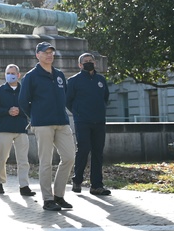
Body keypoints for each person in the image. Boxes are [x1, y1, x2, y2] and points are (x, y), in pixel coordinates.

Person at [18, 41, 75, 212]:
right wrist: (36, 116)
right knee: (46, 162)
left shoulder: (59, 75)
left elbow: (64, 96)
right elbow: (23, 101)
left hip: (62, 122)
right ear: (38, 55)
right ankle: (48, 199)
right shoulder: (31, 76)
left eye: (51, 52)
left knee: (69, 157)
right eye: (45, 52)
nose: (49, 55)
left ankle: (59, 195)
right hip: (42, 124)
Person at [67, 52, 112, 196]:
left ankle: (96, 185)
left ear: (95, 63)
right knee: (84, 149)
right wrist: (78, 112)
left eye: (91, 60)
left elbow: (105, 97)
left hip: (99, 121)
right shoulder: (74, 81)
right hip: (82, 121)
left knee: (98, 153)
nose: (88, 62)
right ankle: (77, 179)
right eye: (85, 61)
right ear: (80, 65)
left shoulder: (101, 79)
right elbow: (68, 100)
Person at [0, 64, 35, 196]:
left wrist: (20, 111)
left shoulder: (25, 91)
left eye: (13, 73)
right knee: (2, 157)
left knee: (23, 160)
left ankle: (24, 186)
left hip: (22, 129)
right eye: (8, 73)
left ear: (18, 75)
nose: (10, 75)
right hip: (5, 128)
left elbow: (31, 108)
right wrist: (7, 111)